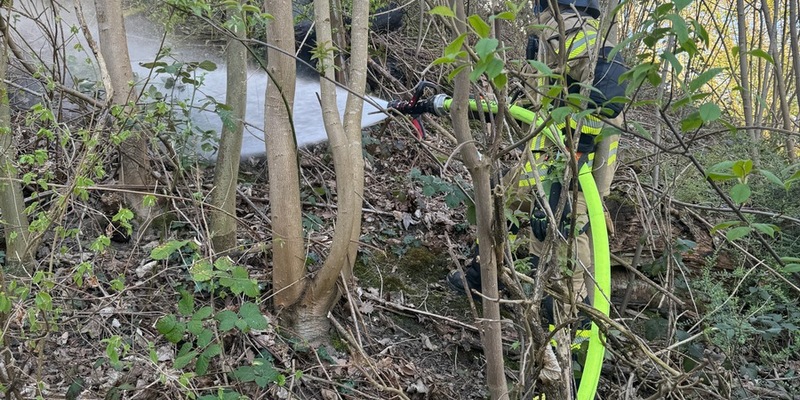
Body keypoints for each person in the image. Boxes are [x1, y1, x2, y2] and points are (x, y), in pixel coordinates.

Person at [447, 0, 627, 310]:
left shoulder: (572, 24)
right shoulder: (553, 28)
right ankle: (483, 275)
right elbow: (537, 101)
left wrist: (570, 170)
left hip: (574, 160)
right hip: (548, 151)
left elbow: (607, 84)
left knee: (564, 231)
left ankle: (569, 323)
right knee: (508, 199)